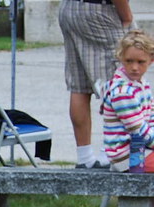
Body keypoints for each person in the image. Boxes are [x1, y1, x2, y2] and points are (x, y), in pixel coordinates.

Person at [58, 0, 133, 169]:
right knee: (119, 83)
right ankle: (110, 154)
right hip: (100, 10)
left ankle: (84, 157)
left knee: (79, 85)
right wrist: (126, 16)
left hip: (69, 8)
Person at [101, 29, 154, 172]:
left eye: (140, 62)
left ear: (151, 60)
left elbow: (151, 118)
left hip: (144, 148)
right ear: (121, 57)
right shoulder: (122, 92)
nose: (134, 67)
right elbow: (138, 130)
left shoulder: (142, 84)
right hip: (127, 156)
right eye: (129, 61)